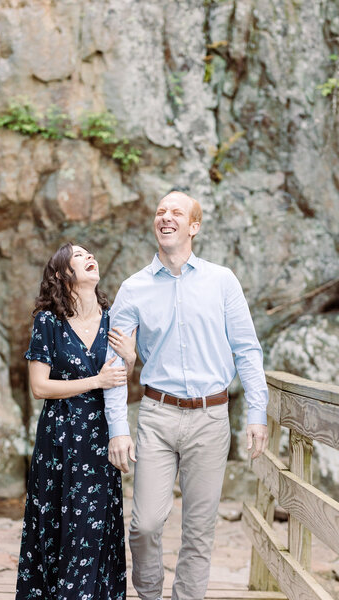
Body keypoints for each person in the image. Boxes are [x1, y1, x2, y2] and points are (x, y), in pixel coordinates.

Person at [103, 191, 269, 600]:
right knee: (144, 525)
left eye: (176, 212)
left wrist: (257, 412)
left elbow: (247, 349)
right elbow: (113, 366)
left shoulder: (222, 281)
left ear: (194, 226)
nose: (165, 217)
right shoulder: (133, 289)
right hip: (157, 415)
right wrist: (118, 429)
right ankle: (149, 594)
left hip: (211, 418)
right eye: (160, 211)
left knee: (199, 529)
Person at [16, 242, 136, 600]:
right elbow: (39, 387)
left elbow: (117, 378)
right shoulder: (48, 321)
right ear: (61, 274)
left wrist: (130, 359)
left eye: (90, 254)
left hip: (100, 438)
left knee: (93, 525)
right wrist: (94, 382)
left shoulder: (114, 317)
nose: (90, 258)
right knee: (55, 524)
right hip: (58, 438)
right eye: (79, 256)